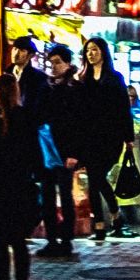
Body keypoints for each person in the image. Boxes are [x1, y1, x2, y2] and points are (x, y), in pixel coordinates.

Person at [0, 72, 40, 280]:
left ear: (1, 92)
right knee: (16, 240)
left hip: (2, 186)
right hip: (18, 185)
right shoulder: (22, 117)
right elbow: (34, 155)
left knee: (2, 240)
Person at [77, 37, 135, 241]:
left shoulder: (115, 77)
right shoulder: (82, 79)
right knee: (95, 179)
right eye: (88, 50)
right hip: (90, 138)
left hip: (111, 137)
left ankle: (113, 219)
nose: (91, 53)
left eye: (94, 49)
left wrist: (129, 137)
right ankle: (104, 224)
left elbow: (123, 108)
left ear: (103, 52)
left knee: (98, 177)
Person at [37, 44, 82, 258]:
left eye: (57, 62)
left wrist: (74, 153)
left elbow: (79, 123)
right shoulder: (46, 87)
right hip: (46, 149)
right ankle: (52, 239)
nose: (53, 67)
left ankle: (66, 240)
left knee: (65, 196)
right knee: (47, 195)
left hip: (65, 151)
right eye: (51, 62)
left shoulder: (74, 88)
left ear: (67, 63)